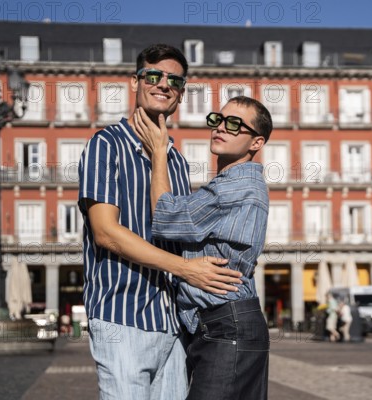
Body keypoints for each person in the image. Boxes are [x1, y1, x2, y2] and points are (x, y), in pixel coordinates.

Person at [78, 44, 243, 399]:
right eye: (153, 75)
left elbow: (181, 234)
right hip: (122, 317)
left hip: (173, 323)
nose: (163, 84)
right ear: (136, 82)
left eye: (175, 80)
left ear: (181, 93)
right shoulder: (106, 145)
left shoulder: (177, 162)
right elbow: (106, 233)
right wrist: (187, 270)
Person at [132, 95, 273, 400]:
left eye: (235, 124)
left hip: (227, 326)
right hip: (227, 323)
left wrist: (158, 153)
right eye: (218, 120)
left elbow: (165, 216)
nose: (221, 127)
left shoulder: (234, 187)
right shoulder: (237, 184)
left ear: (256, 143)